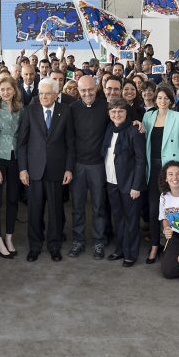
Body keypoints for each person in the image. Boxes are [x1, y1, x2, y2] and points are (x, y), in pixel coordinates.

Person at [18, 78, 75, 263]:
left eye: (47, 93)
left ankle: (54, 246)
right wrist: (23, 169)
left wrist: (69, 168)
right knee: (34, 211)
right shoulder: (30, 111)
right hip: (34, 170)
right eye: (41, 93)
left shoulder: (65, 111)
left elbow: (70, 143)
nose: (43, 97)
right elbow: (22, 143)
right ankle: (34, 247)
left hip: (57, 170)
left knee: (56, 211)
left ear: (56, 95)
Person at [142, 85, 179, 264]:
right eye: (159, 97)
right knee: (154, 209)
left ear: (171, 100)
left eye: (166, 98)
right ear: (155, 100)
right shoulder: (148, 116)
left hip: (171, 171)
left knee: (174, 209)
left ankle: (172, 244)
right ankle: (155, 245)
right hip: (152, 170)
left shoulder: (178, 117)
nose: (162, 101)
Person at [68, 76, 110, 259]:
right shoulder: (72, 109)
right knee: (77, 206)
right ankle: (78, 240)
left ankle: (99, 241)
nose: (87, 93)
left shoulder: (106, 107)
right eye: (83, 90)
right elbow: (69, 138)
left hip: (98, 165)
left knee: (99, 206)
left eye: (90, 89)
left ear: (96, 88)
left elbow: (121, 121)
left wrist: (136, 122)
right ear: (78, 91)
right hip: (78, 165)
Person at [103, 99, 145, 267]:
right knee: (118, 218)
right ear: (109, 114)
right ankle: (120, 249)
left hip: (129, 184)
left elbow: (141, 160)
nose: (117, 114)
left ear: (127, 113)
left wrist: (136, 186)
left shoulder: (133, 131)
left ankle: (131, 254)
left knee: (131, 220)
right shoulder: (109, 129)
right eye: (113, 111)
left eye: (120, 111)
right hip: (112, 181)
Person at [0, 76, 21, 259]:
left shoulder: (20, 109)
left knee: (13, 199)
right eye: (2, 89)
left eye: (9, 89)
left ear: (14, 90)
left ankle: (9, 236)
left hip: (16, 159)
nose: (6, 92)